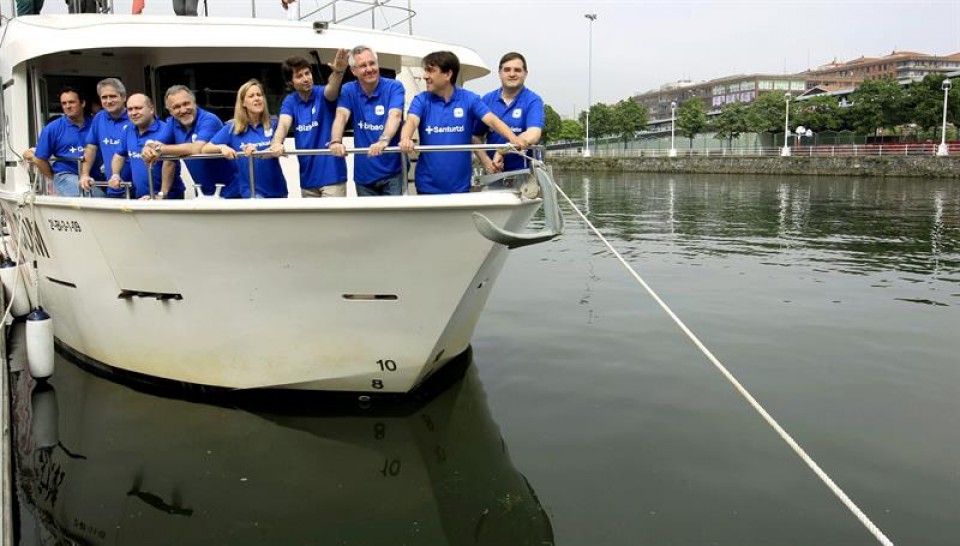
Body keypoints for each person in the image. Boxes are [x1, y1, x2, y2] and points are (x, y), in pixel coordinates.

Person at [398, 51, 525, 195]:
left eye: (430, 71)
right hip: (427, 187)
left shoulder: (469, 99)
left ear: (447, 74)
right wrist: (405, 139)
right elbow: (411, 121)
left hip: (461, 189)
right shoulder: (421, 100)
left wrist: (513, 138)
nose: (425, 76)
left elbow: (492, 120)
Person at [329, 45, 405, 196]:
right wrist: (336, 141)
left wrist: (383, 141)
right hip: (364, 175)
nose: (369, 69)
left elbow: (395, 115)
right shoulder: (348, 89)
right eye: (363, 66)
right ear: (353, 71)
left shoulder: (394, 87)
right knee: (369, 220)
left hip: (392, 172)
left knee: (395, 219)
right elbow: (341, 116)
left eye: (372, 63)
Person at [269, 52, 348, 197]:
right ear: (290, 82)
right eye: (299, 76)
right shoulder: (290, 101)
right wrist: (277, 143)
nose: (306, 79)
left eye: (307, 73)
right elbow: (283, 124)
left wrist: (339, 71)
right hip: (307, 179)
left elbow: (332, 89)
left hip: (332, 177)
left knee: (334, 220)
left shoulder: (321, 94)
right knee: (312, 221)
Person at [141, 85, 238, 197]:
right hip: (203, 192)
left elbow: (196, 149)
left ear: (194, 102)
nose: (183, 110)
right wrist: (147, 148)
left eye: (186, 104)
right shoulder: (172, 123)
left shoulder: (209, 119)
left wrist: (159, 149)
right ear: (170, 111)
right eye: (176, 107)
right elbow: (168, 158)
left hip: (231, 190)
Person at [203, 79, 288, 198]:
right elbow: (206, 149)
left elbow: (276, 147)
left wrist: (258, 152)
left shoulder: (274, 123)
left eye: (259, 95)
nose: (257, 98)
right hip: (252, 192)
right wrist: (222, 147)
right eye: (251, 96)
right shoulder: (232, 127)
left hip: (278, 190)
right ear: (243, 102)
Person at [473, 52, 544, 174]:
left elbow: (534, 133)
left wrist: (502, 150)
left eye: (517, 70)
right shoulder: (486, 100)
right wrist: (487, 163)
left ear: (525, 74)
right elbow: (475, 136)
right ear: (500, 73)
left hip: (525, 174)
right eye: (507, 70)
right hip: (494, 174)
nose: (512, 74)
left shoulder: (533, 101)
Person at [33, 87, 103, 197]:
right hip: (65, 176)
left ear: (82, 103)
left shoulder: (95, 125)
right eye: (64, 103)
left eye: (71, 102)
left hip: (94, 177)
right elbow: (39, 159)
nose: (67, 106)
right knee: (98, 197)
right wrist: (53, 177)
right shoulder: (52, 128)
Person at [110, 94, 182, 200]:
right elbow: (119, 155)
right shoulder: (128, 130)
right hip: (141, 198)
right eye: (130, 109)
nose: (134, 113)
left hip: (168, 198)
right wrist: (115, 174)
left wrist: (162, 194)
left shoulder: (166, 129)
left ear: (151, 109)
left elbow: (170, 163)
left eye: (138, 108)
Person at [81, 78, 132, 198]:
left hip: (140, 190)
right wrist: (85, 174)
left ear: (124, 97)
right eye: (104, 97)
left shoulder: (134, 116)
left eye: (113, 96)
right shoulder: (99, 118)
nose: (108, 101)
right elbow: (91, 148)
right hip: (114, 188)